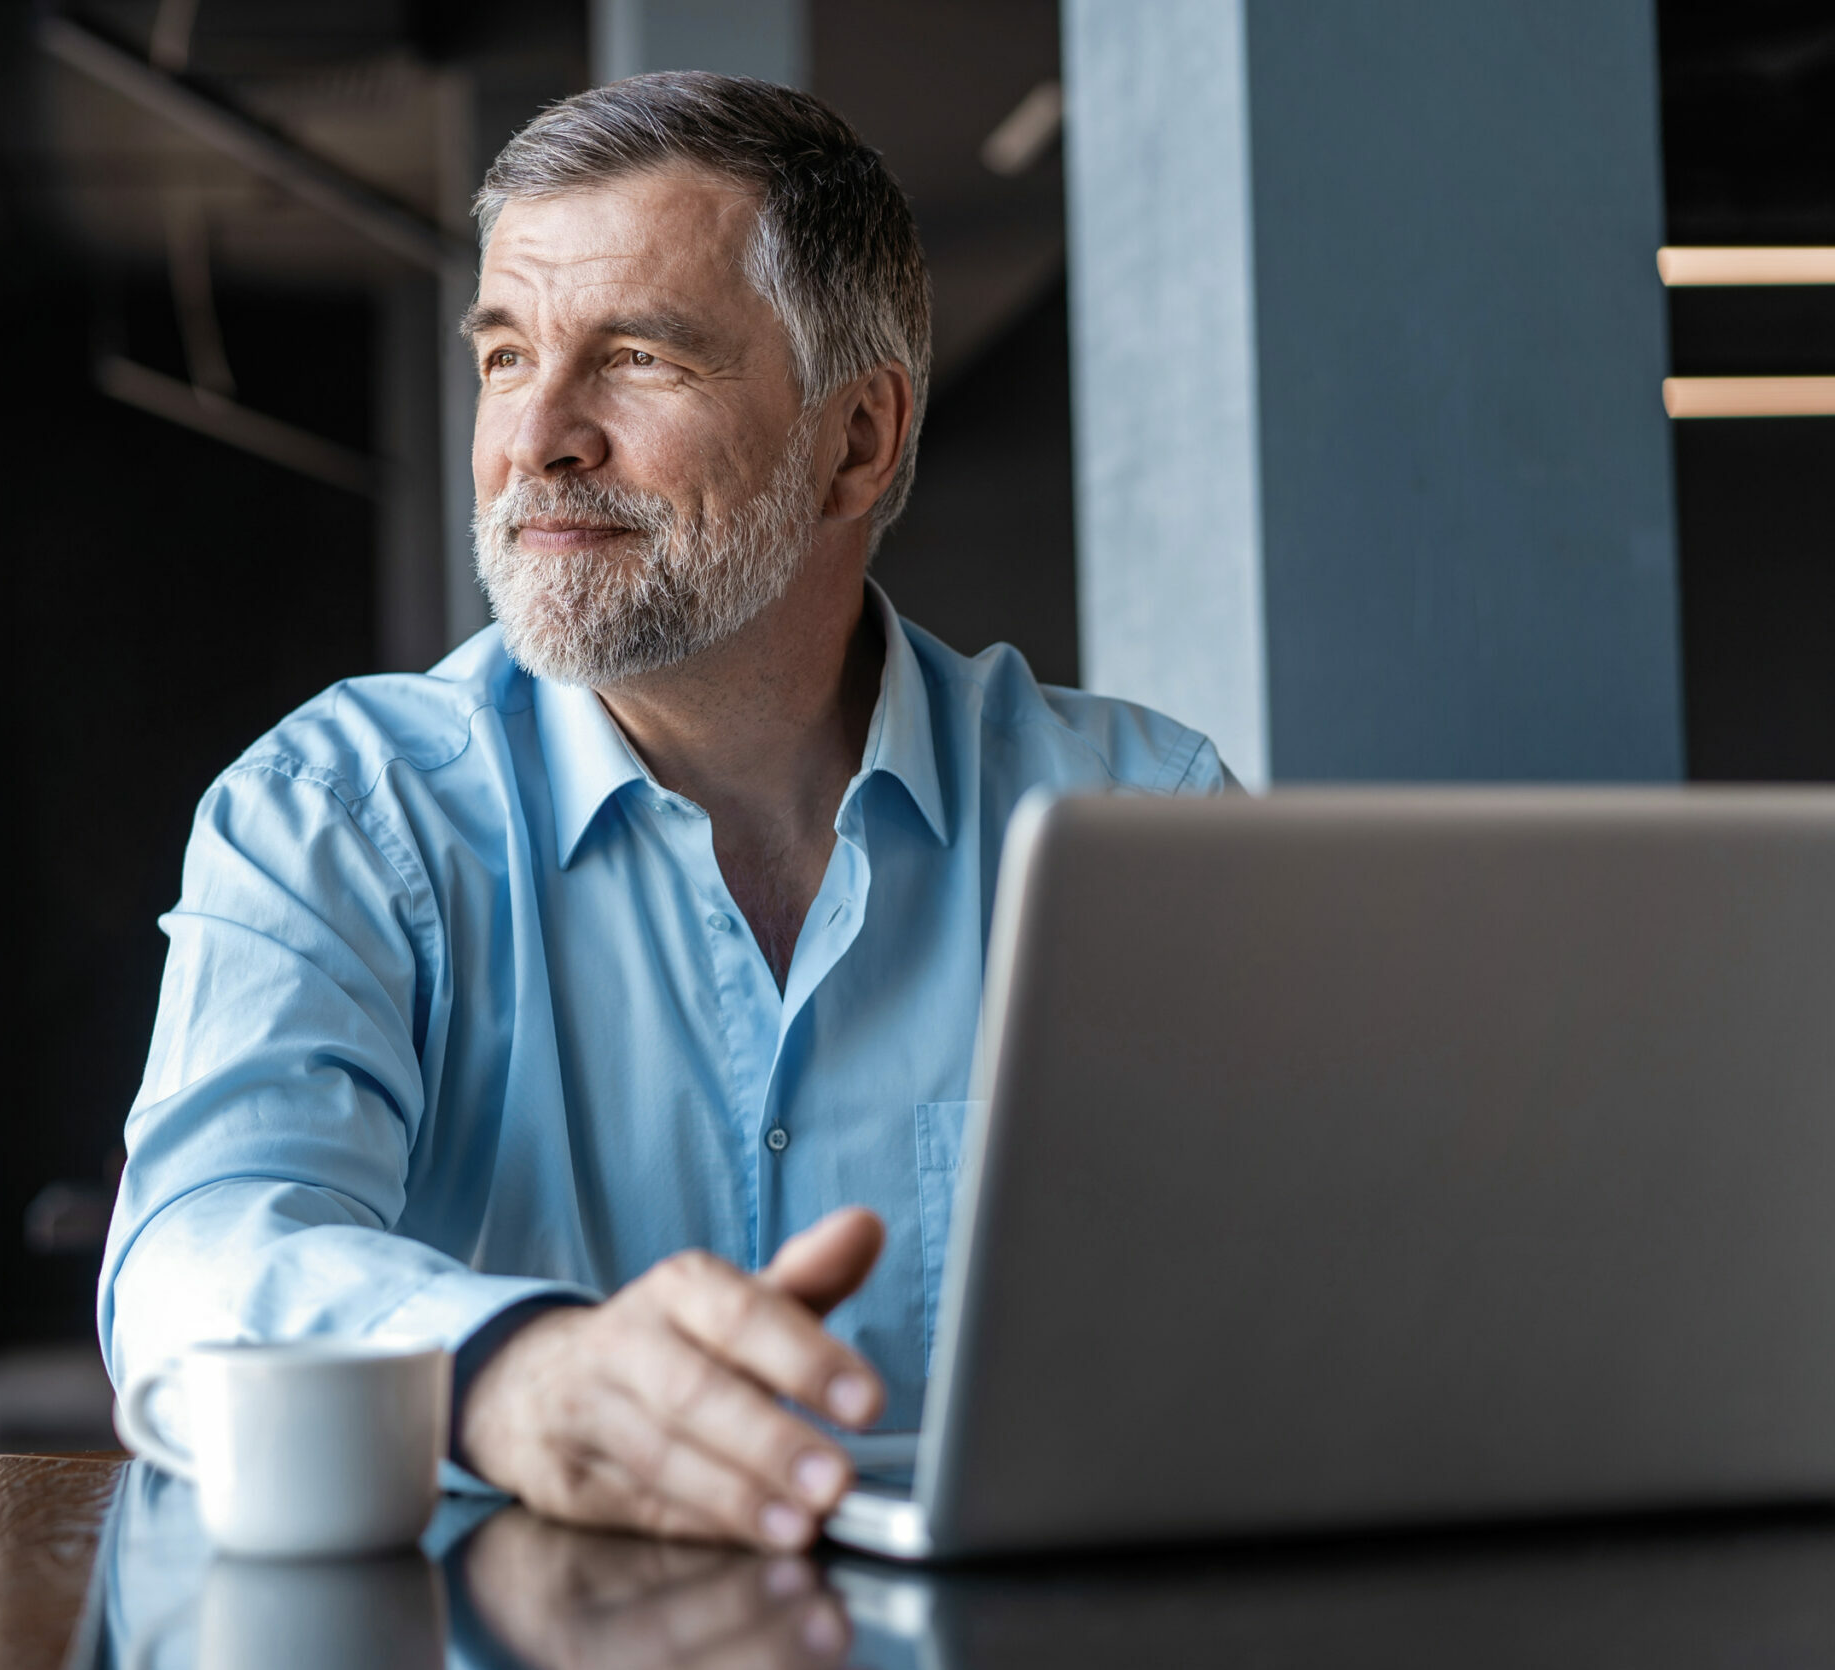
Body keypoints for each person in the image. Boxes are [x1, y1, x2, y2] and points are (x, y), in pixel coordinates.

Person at [97, 71, 1232, 1553]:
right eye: (507, 356)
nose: (539, 438)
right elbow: (193, 1255)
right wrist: (509, 1369)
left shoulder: (1139, 821)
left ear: (857, 440)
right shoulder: (338, 813)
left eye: (636, 357)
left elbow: (1299, 1295)